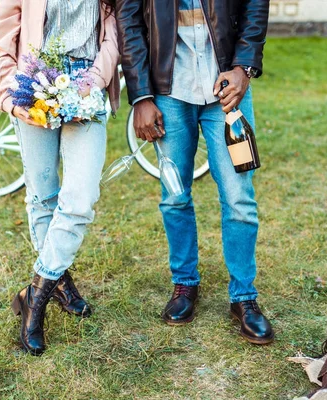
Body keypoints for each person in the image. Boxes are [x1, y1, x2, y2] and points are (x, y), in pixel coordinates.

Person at [116, 0, 274, 344]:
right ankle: (185, 284)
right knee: (174, 196)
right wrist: (141, 95)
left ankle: (244, 297)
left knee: (238, 198)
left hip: (226, 88)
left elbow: (255, 6)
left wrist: (243, 67)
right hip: (168, 91)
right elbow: (128, 22)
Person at [0, 0, 119, 356]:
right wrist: (11, 96)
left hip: (85, 88)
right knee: (43, 194)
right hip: (34, 86)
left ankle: (35, 295)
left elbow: (114, 34)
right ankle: (59, 284)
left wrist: (95, 79)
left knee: (80, 198)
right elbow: (1, 42)